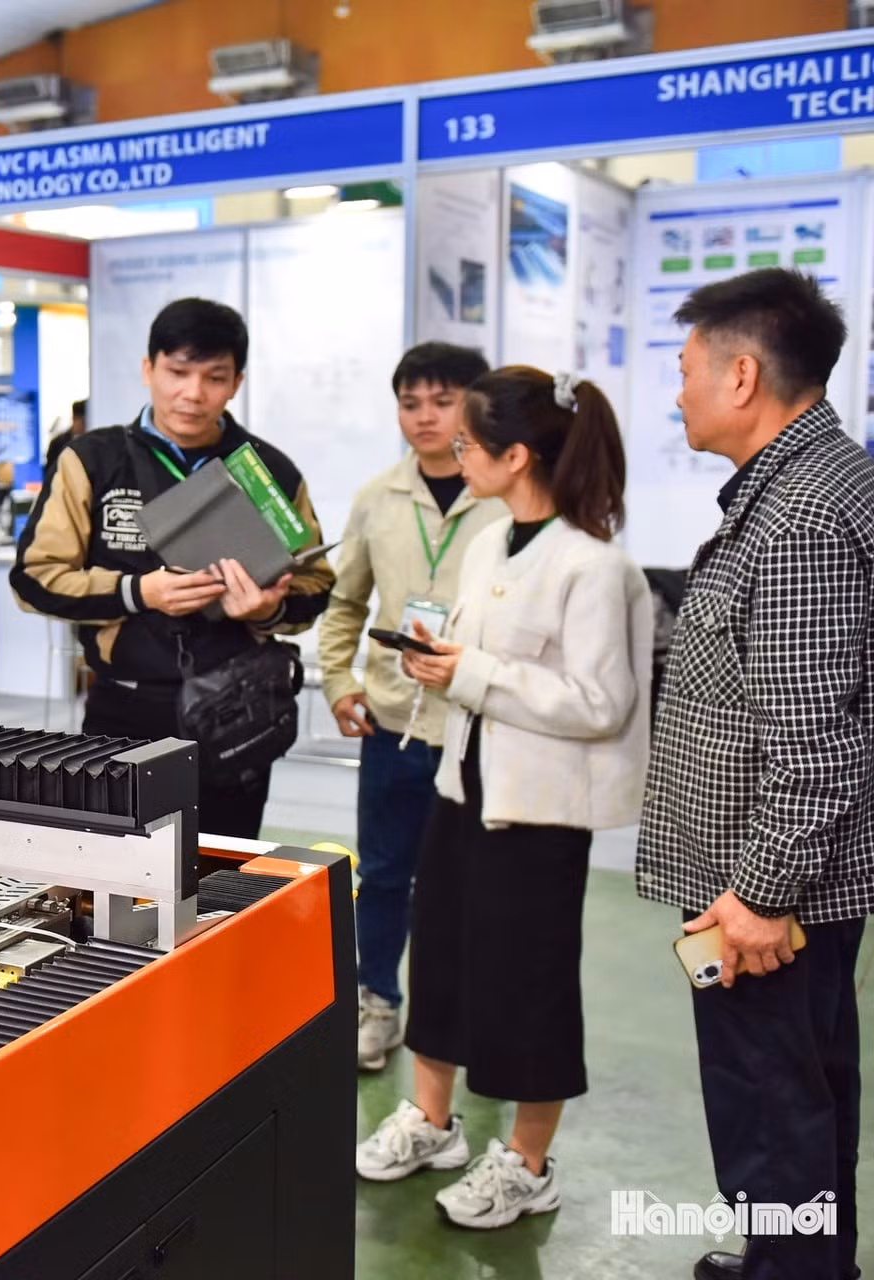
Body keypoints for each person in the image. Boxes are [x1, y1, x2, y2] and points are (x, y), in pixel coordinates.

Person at [354, 367, 651, 1232]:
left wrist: (473, 675)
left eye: (469, 443)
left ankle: (527, 1163)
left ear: (516, 455)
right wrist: (437, 660)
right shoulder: (490, 541)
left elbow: (602, 703)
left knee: (529, 988)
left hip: (539, 814)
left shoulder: (595, 567)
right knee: (440, 960)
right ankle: (433, 1121)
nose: (453, 451)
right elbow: (485, 666)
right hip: (463, 787)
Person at [636, 269, 873, 1280]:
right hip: (758, 878)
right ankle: (798, 1261)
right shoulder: (801, 483)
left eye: (686, 370)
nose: (677, 392)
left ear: (742, 374)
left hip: (766, 891)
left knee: (772, 1101)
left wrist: (761, 897)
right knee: (803, 1087)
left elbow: (816, 739)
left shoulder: (801, 517)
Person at [10, 298, 333, 839]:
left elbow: (317, 585)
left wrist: (269, 607)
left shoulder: (268, 469)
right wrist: (139, 592)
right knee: (113, 882)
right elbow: (34, 579)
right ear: (148, 369)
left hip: (238, 709)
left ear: (236, 383)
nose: (192, 393)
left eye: (214, 377)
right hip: (126, 710)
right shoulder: (93, 459)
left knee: (221, 879)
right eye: (177, 372)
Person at [316, 342, 506, 1073]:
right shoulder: (377, 497)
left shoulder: (508, 497)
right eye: (410, 402)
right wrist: (339, 682)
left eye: (443, 400)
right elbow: (345, 602)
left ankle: (465, 1015)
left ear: (474, 405)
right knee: (386, 876)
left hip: (480, 726)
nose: (425, 417)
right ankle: (378, 1003)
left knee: (474, 886)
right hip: (392, 723)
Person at [43, 398, 88, 478]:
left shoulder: (90, 442)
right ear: (74, 419)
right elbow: (49, 473)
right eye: (83, 421)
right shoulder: (57, 443)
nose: (84, 426)